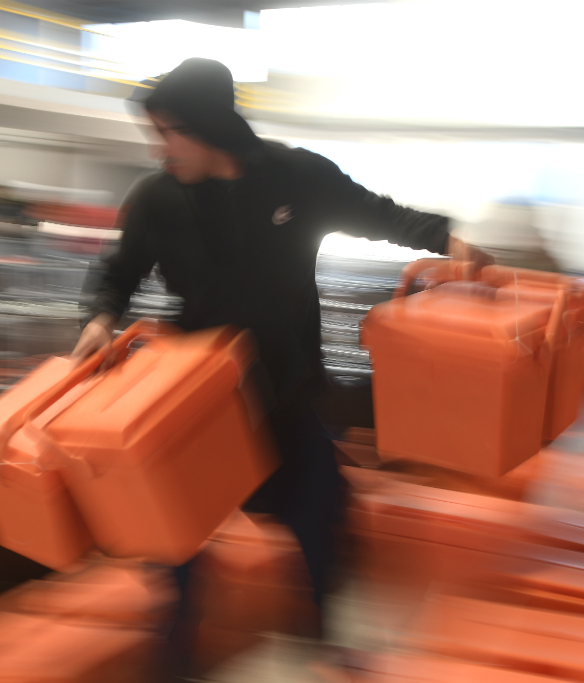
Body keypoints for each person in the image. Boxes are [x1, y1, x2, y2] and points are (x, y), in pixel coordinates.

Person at [73, 58, 492, 679]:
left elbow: (378, 214)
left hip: (286, 390)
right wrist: (101, 317)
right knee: (177, 540)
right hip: (194, 401)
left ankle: (321, 646)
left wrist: (447, 237)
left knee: (321, 516)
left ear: (209, 126)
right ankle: (176, 661)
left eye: (169, 132)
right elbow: (118, 270)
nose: (161, 149)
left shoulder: (296, 177)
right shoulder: (158, 198)